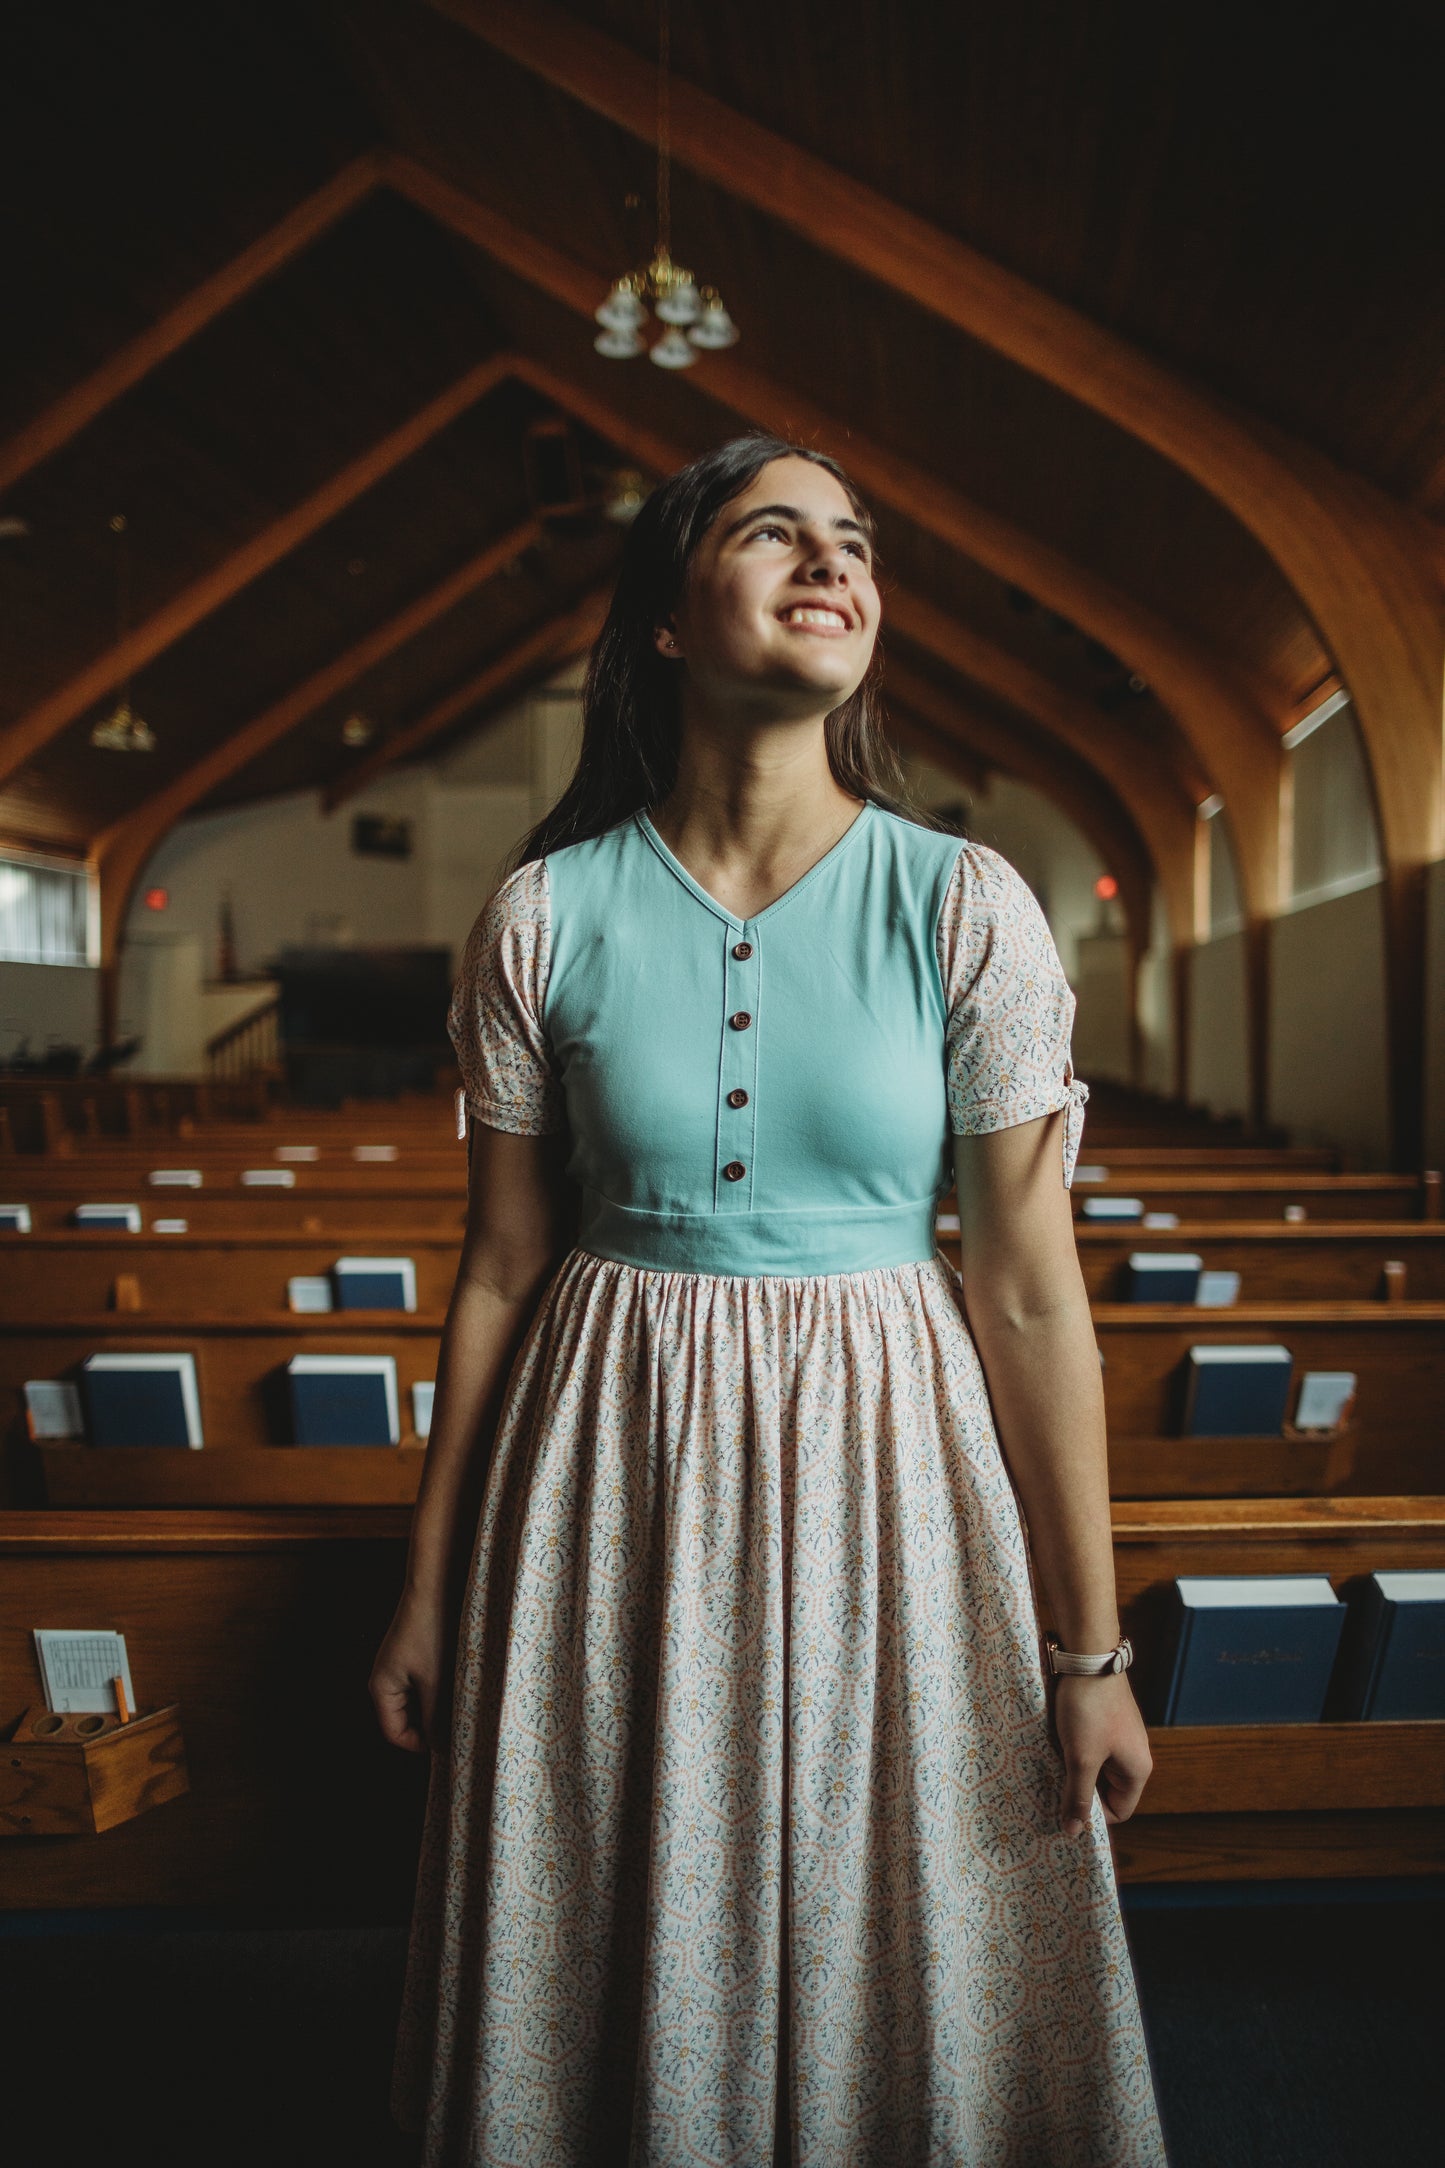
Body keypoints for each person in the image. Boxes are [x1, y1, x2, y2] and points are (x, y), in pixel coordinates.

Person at [373, 436, 1168, 2166]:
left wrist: (1088, 1651)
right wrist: (427, 1587)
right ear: (669, 614)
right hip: (607, 1465)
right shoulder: (539, 914)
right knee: (608, 1878)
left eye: (857, 544)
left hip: (891, 1460)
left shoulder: (967, 904)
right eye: (774, 534)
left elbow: (1031, 1298)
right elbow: (500, 1268)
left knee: (901, 1889)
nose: (834, 564)